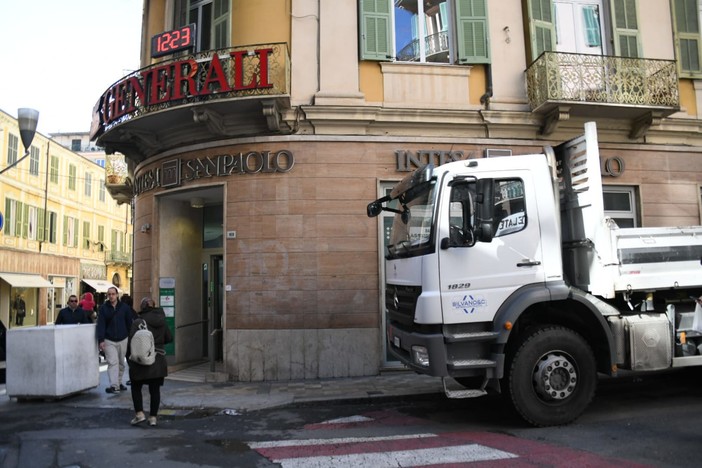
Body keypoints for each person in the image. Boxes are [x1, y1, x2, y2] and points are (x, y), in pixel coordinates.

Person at [128, 297, 172, 426]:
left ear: (142, 307)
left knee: (136, 386)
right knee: (155, 389)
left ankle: (139, 414)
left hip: (140, 360)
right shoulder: (162, 321)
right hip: (157, 360)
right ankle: (153, 417)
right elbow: (169, 338)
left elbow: (132, 341)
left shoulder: (138, 322)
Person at [96, 286, 133, 394]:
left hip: (123, 338)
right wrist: (101, 340)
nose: (111, 296)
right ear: (107, 296)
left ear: (117, 295)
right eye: (109, 294)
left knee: (121, 363)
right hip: (109, 340)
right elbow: (101, 325)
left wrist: (129, 337)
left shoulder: (125, 308)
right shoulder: (103, 308)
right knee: (113, 362)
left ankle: (119, 382)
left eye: (113, 294)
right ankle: (114, 385)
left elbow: (129, 324)